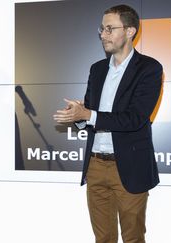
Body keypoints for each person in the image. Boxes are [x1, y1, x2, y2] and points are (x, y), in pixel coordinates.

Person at [53, 4, 162, 243]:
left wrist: (87, 114)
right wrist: (78, 117)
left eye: (110, 29)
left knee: (133, 237)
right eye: (102, 29)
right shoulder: (97, 69)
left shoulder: (149, 69)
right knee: (103, 238)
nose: (103, 34)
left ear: (130, 31)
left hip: (130, 167)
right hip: (95, 166)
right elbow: (90, 113)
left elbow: (135, 118)